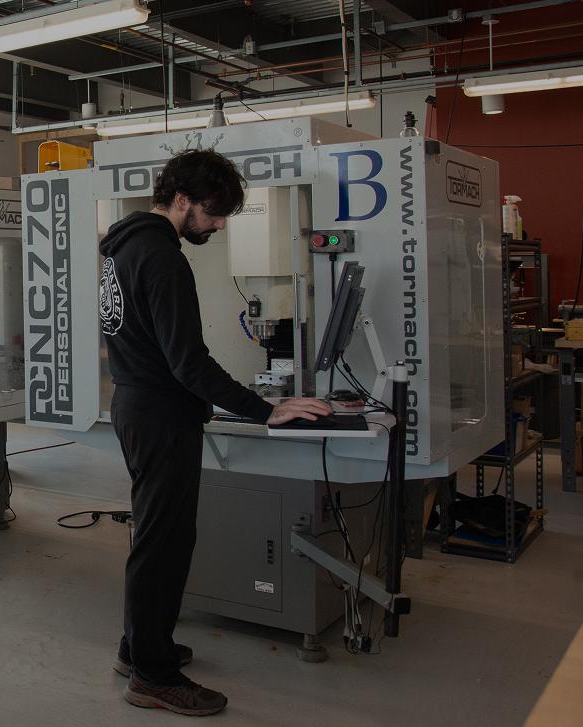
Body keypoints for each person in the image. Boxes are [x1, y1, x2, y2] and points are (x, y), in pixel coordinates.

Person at [98, 149, 331, 717]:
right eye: (212, 211)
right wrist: (264, 410)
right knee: (165, 542)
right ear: (181, 199)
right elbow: (188, 362)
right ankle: (153, 676)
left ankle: (140, 647)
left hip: (134, 403)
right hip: (161, 414)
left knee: (155, 535)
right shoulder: (162, 257)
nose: (219, 223)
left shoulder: (122, 248)